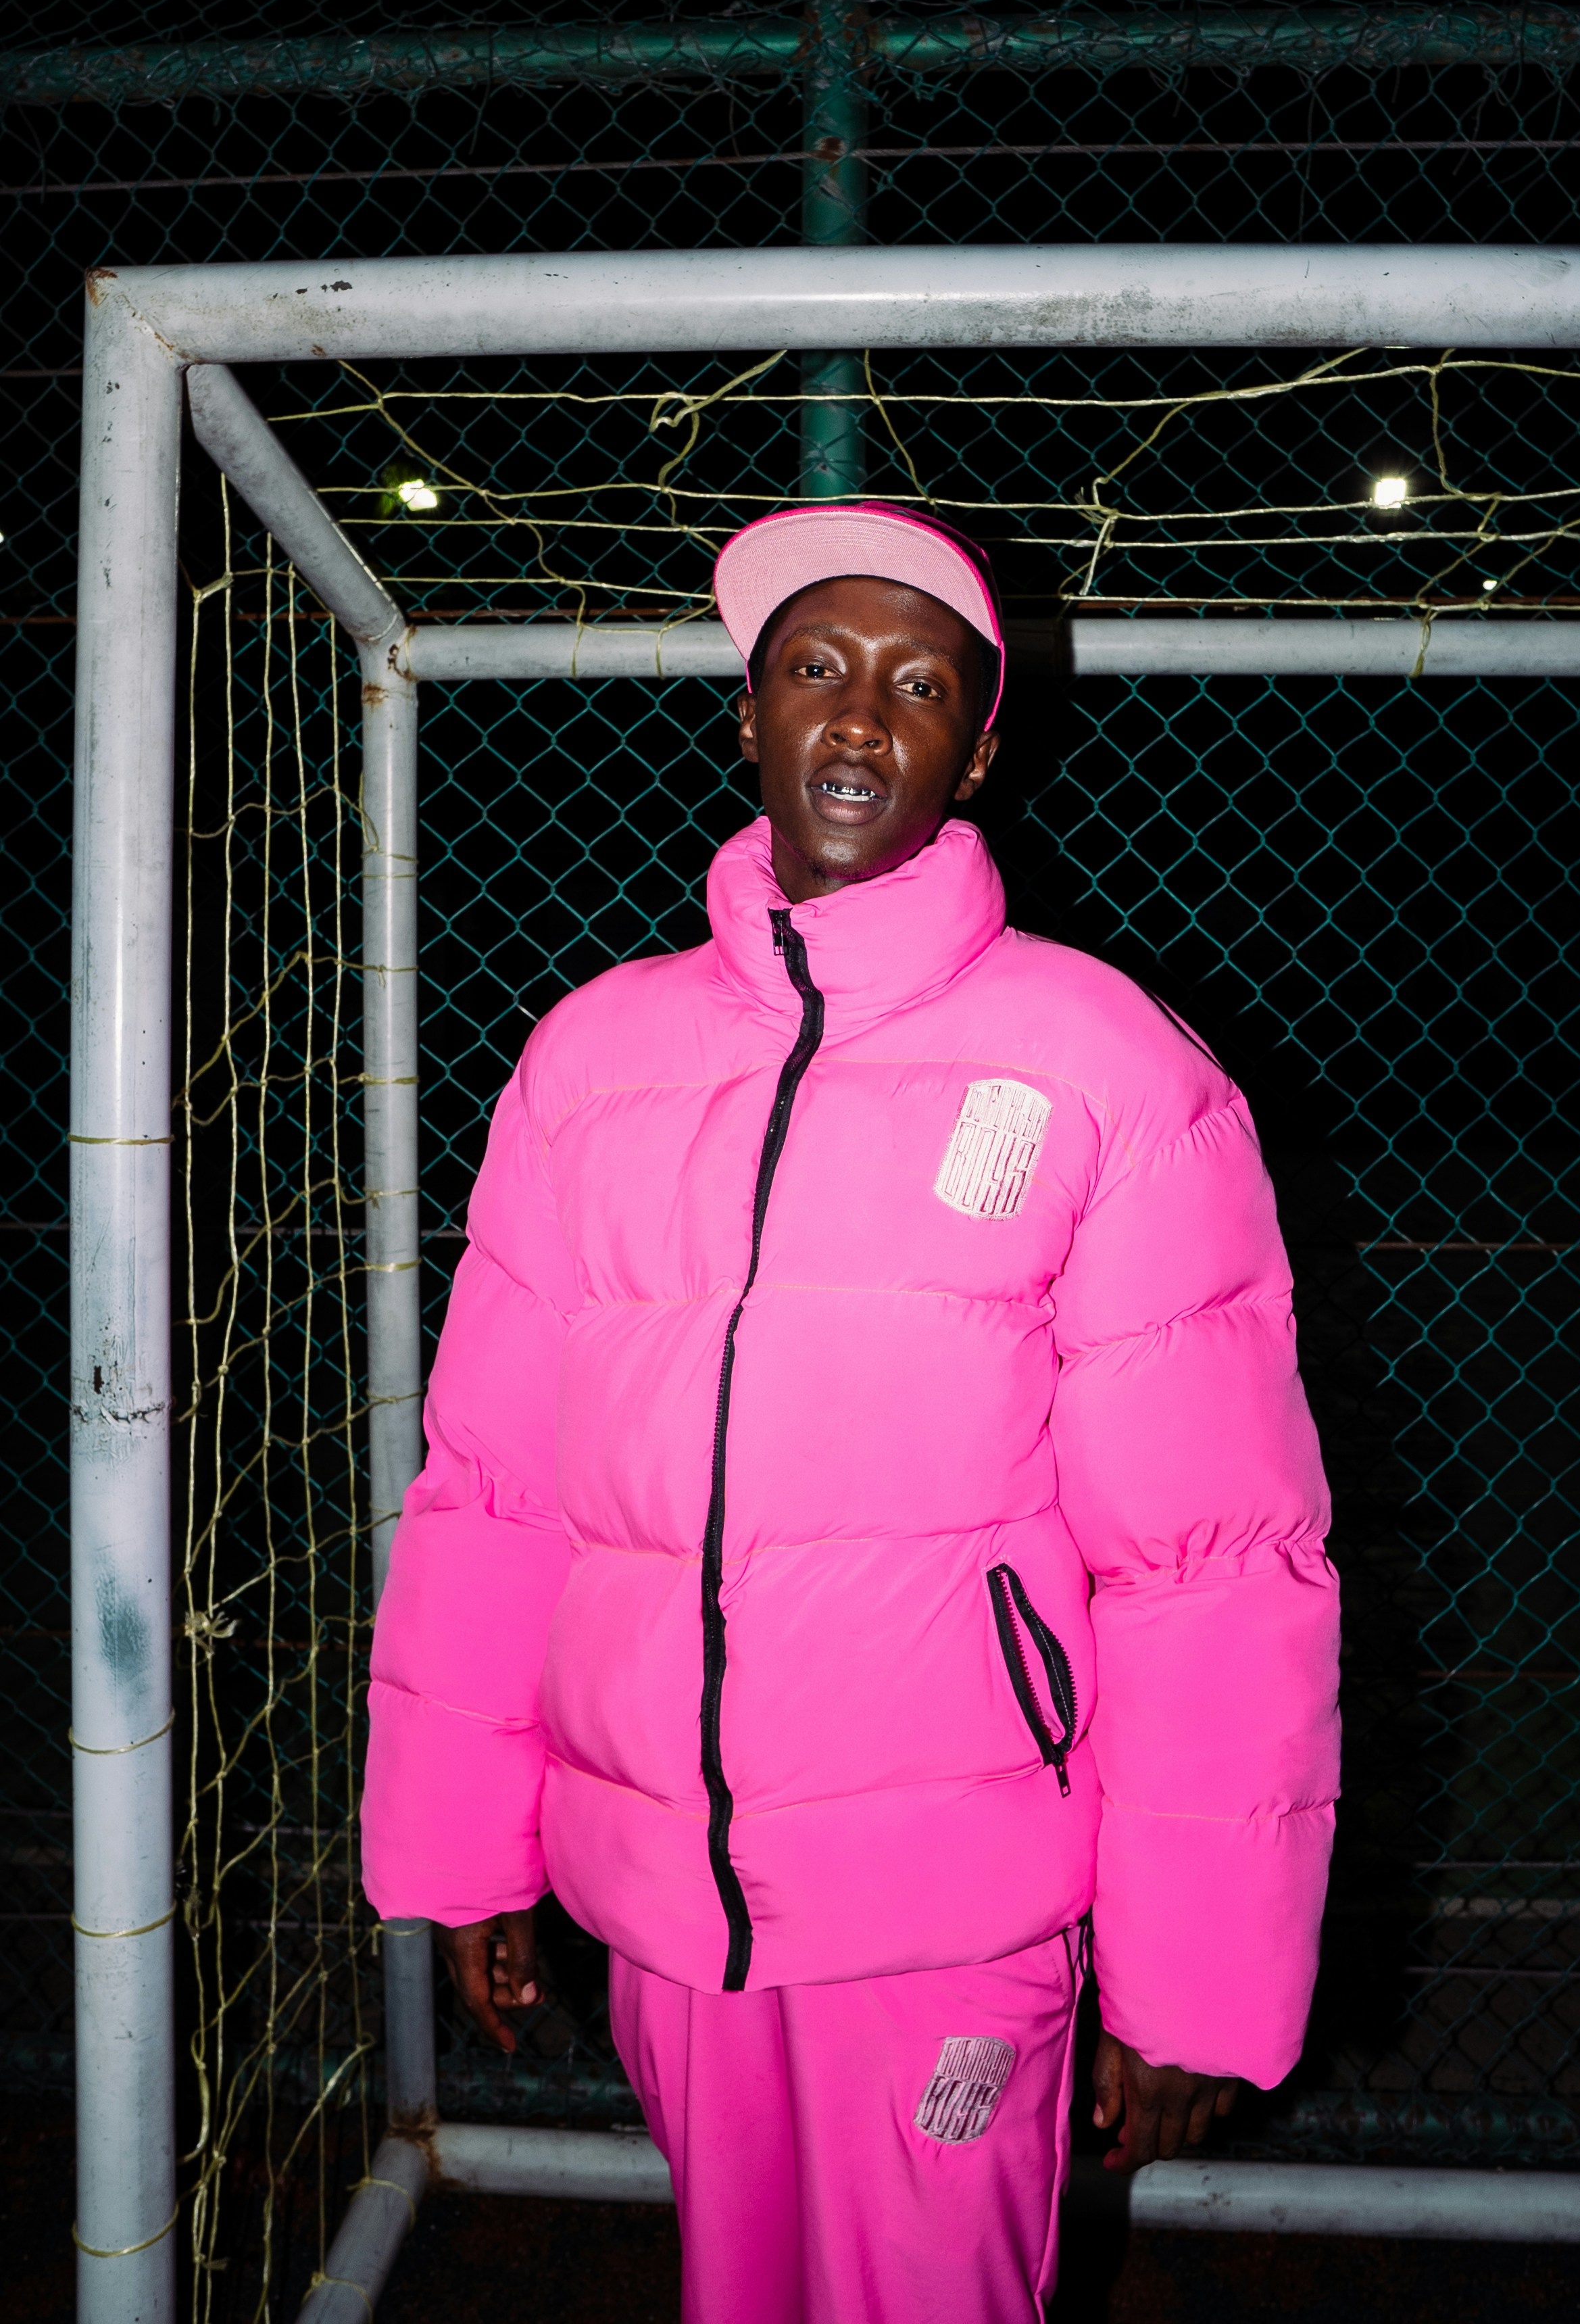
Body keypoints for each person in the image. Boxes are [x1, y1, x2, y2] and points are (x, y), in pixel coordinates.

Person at [362, 503, 1341, 2323]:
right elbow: (494, 1487)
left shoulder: (1108, 1067)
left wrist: (1191, 1980)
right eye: (815, 669)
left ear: (980, 743)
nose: (858, 723)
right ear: (748, 714)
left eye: (917, 685)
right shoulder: (594, 1060)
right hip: (671, 1909)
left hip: (954, 1919)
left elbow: (1214, 1563)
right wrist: (471, 1839)